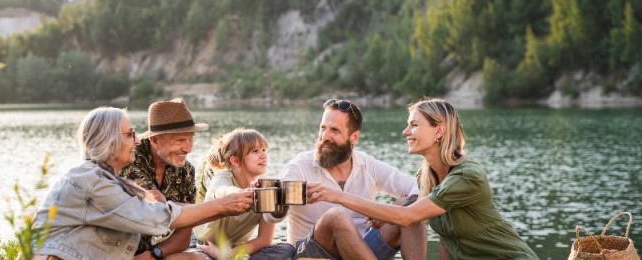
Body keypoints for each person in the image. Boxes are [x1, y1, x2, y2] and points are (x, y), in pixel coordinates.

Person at [307, 98, 540, 259]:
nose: (405, 132)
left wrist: (337, 196)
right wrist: (386, 212)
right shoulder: (426, 176)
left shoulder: (467, 177)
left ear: (439, 131)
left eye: (414, 125)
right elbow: (446, 240)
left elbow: (408, 217)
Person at [32, 107, 253, 260]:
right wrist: (224, 205)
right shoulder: (91, 182)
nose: (137, 141)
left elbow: (172, 213)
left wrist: (230, 204)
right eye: (130, 134)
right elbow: (159, 216)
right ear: (109, 140)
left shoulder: (108, 178)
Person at [264, 99, 427, 260]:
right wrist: (278, 200)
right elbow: (272, 217)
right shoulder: (299, 167)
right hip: (313, 253)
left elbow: (419, 189)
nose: (325, 136)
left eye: (334, 130)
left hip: (363, 251)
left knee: (411, 209)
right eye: (323, 128)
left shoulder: (367, 165)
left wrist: (385, 212)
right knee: (336, 216)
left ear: (354, 137)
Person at [187, 128, 295, 259]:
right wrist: (243, 193)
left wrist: (228, 254)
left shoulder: (265, 187)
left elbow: (264, 240)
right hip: (205, 246)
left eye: (264, 150)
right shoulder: (223, 178)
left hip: (234, 248)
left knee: (286, 250)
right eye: (255, 151)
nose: (263, 155)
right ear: (235, 161)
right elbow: (222, 191)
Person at [120, 98, 206, 259]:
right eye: (180, 140)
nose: (188, 148)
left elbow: (186, 230)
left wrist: (154, 255)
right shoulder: (131, 159)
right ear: (155, 140)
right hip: (116, 253)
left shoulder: (186, 170)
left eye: (190, 139)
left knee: (197, 258)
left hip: (149, 254)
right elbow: (157, 205)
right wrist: (220, 206)